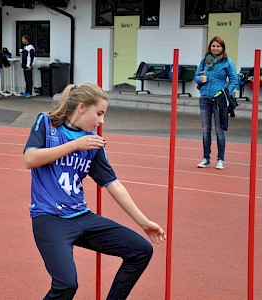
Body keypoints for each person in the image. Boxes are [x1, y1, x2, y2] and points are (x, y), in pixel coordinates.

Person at [23, 83, 166, 299]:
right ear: (82, 107)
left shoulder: (93, 143)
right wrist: (74, 145)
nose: (102, 121)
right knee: (66, 285)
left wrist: (143, 222)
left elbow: (113, 184)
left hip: (82, 216)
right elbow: (30, 159)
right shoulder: (47, 123)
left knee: (141, 250)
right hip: (49, 218)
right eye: (99, 113)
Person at [194, 36, 238, 170]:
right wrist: (199, 79)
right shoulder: (204, 61)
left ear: (222, 48)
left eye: (218, 46)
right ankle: (206, 158)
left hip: (219, 100)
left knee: (219, 130)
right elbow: (196, 77)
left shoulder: (227, 62)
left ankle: (220, 159)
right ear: (210, 47)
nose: (215, 48)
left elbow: (234, 80)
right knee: (206, 130)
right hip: (204, 99)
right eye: (213, 46)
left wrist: (225, 93)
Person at [19, 34, 35, 98]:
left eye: (23, 39)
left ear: (26, 40)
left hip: (28, 66)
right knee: (26, 79)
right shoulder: (25, 47)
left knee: (29, 79)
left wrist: (31, 65)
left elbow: (32, 57)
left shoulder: (30, 47)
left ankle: (30, 92)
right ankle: (26, 92)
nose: (22, 40)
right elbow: (24, 56)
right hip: (25, 65)